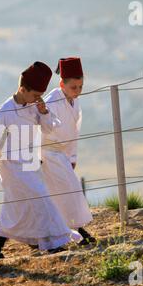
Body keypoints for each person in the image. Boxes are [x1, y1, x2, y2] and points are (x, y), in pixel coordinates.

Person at [0, 62, 82, 260]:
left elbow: (50, 128)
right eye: (35, 95)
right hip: (11, 165)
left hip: (29, 161)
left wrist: (44, 112)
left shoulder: (34, 105)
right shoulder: (5, 111)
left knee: (16, 207)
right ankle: (53, 243)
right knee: (41, 196)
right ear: (22, 89)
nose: (38, 99)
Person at [41, 57, 96, 245]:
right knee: (64, 194)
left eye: (81, 87)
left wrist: (72, 156)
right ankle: (72, 233)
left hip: (62, 155)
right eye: (74, 87)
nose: (78, 91)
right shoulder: (51, 102)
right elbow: (38, 129)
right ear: (62, 84)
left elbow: (74, 130)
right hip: (47, 155)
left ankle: (74, 231)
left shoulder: (75, 102)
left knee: (69, 193)